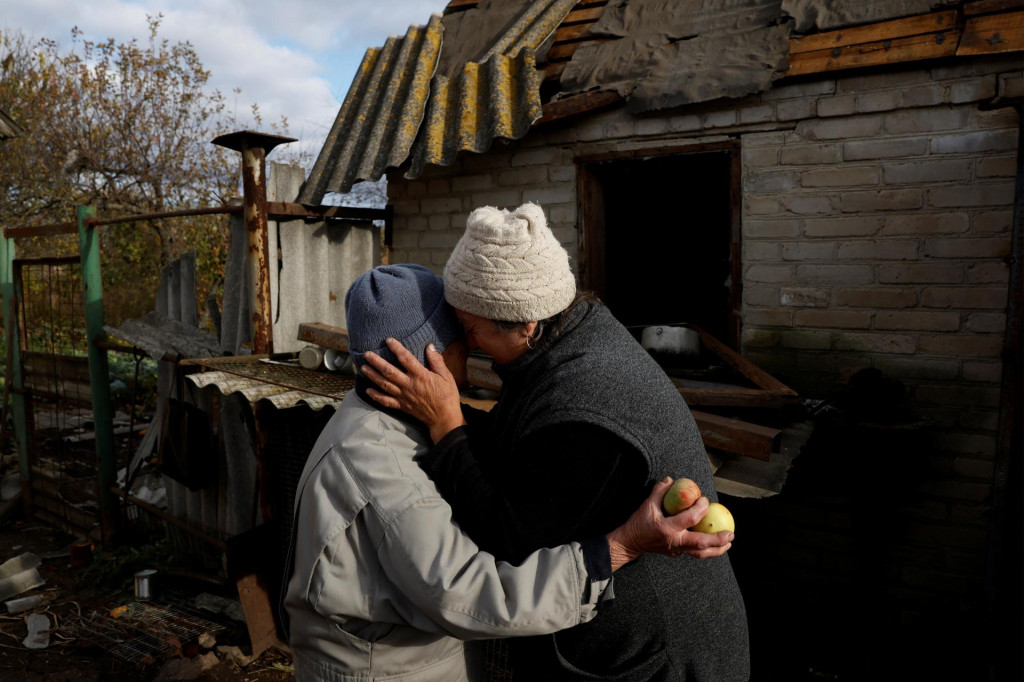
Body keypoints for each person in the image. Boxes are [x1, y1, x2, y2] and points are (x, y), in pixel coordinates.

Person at [282, 263, 734, 682]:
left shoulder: (383, 416)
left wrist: (449, 421)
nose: (473, 346)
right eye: (462, 334)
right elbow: (472, 597)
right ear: (427, 359)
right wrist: (619, 548)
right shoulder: (384, 468)